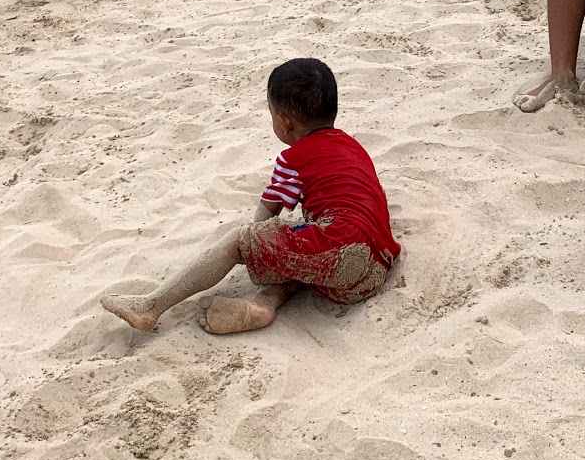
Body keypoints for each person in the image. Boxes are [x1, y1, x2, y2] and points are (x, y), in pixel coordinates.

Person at [101, 58, 401, 335]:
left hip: (340, 250)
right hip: (372, 271)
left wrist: (246, 247)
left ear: (284, 122)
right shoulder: (353, 147)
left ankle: (151, 307)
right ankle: (264, 304)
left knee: (244, 240)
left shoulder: (293, 159)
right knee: (299, 250)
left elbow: (262, 221)